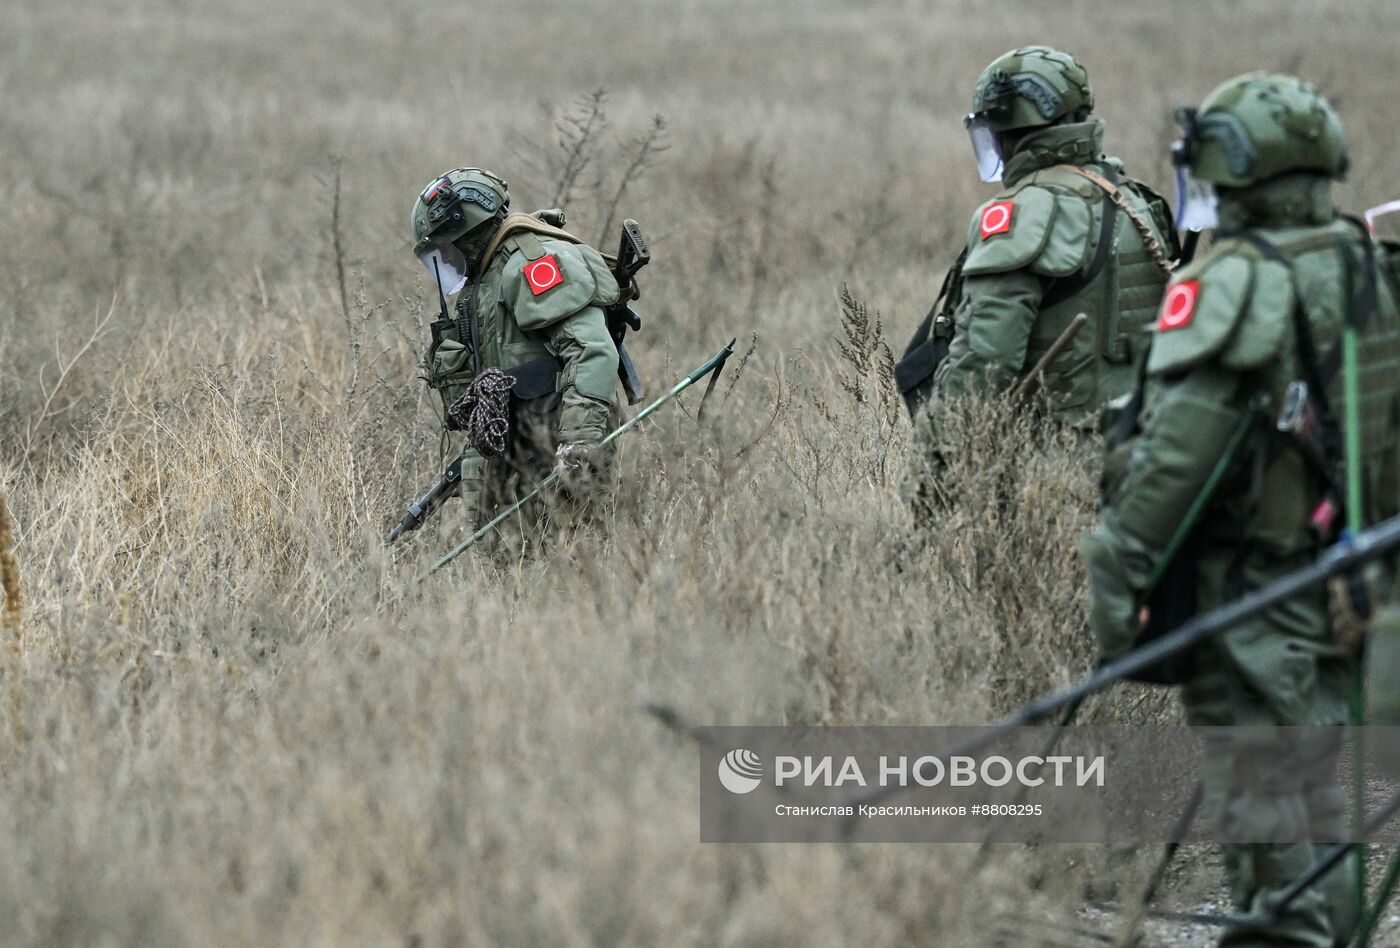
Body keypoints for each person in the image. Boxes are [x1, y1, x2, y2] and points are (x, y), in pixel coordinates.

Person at [1082, 73, 1400, 946]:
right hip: (1352, 580)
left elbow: (1174, 457)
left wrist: (1116, 571)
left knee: (1267, 806)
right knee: (1311, 780)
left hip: (1254, 584)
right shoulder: (1365, 262)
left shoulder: (1236, 282)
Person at [898, 45, 1177, 426]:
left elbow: (983, 366)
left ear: (1008, 130)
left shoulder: (1024, 213)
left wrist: (932, 463)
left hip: (1055, 456)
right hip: (1143, 444)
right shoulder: (1137, 200)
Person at [410, 167, 623, 539]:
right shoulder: (486, 278)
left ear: (468, 230)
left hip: (557, 457)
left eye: (444, 249)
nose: (444, 262)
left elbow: (591, 350)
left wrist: (578, 442)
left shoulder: (530, 264)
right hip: (519, 460)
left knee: (568, 575)